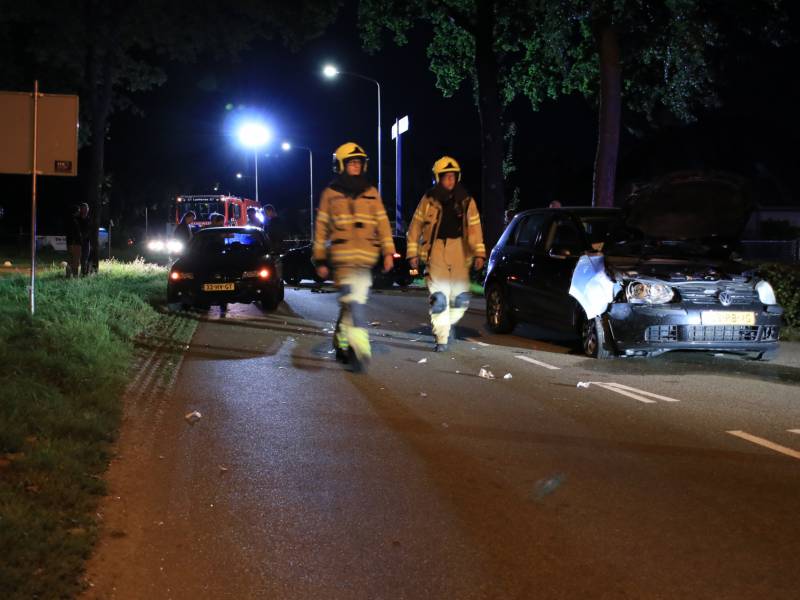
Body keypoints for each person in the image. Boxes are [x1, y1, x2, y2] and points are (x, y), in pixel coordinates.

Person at [313, 142, 395, 372]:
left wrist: (388, 252)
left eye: (358, 162)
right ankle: (359, 349)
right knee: (354, 303)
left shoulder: (371, 192)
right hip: (342, 260)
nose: (356, 166)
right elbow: (321, 229)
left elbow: (382, 224)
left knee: (349, 306)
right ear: (340, 165)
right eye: (351, 162)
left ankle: (341, 343)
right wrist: (319, 259)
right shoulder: (330, 194)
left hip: (366, 259)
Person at [407, 156, 486, 352]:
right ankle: (441, 338)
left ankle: (449, 324)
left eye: (453, 176)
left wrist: (479, 254)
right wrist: (412, 253)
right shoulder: (428, 200)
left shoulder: (467, 201)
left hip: (459, 250)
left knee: (460, 299)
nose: (450, 180)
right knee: (440, 298)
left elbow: (475, 229)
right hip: (436, 252)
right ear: (437, 178)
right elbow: (415, 227)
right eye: (446, 177)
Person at [65, 205, 82, 277]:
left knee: (70, 259)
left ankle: (68, 275)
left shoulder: (69, 220)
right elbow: (74, 233)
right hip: (75, 243)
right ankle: (75, 275)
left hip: (70, 242)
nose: (79, 212)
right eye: (78, 211)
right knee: (75, 260)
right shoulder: (74, 221)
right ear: (76, 211)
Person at [77, 203, 92, 276]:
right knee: (77, 258)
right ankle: (75, 273)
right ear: (81, 210)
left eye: (86, 209)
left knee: (85, 258)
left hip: (86, 241)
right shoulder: (77, 219)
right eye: (83, 208)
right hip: (78, 241)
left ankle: (84, 273)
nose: (85, 210)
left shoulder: (89, 219)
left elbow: (91, 230)